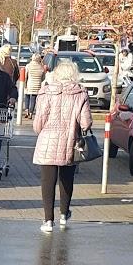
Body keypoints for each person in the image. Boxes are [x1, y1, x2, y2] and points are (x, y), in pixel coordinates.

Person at [32, 57, 92, 234]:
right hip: (69, 141)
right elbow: (86, 122)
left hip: (47, 140)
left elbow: (38, 123)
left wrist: (42, 130)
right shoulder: (80, 93)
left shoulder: (46, 92)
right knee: (67, 178)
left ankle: (48, 220)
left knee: (47, 181)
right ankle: (64, 214)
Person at [24, 51, 46, 118]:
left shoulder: (28, 66)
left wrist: (25, 84)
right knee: (33, 98)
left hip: (29, 84)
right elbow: (43, 78)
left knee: (27, 96)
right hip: (37, 85)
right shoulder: (41, 67)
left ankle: (26, 110)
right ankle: (31, 113)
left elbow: (26, 76)